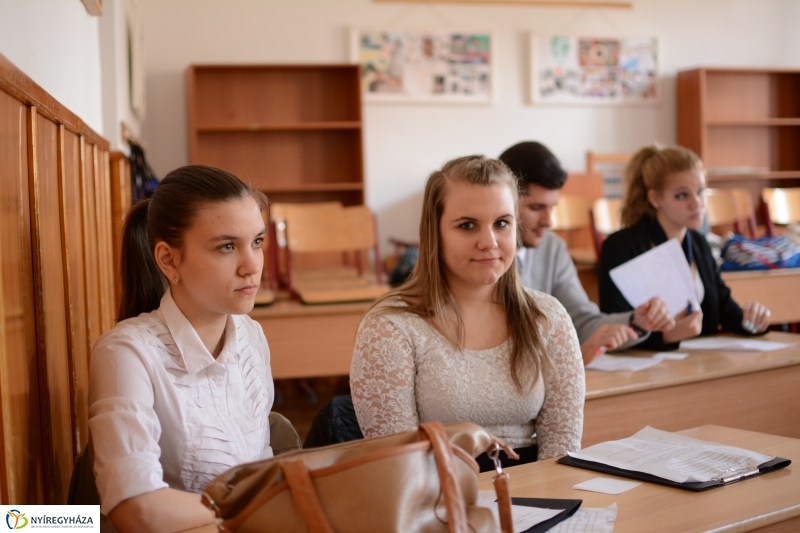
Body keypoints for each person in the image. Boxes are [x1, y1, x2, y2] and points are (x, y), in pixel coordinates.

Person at [350, 155, 584, 470]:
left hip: (534, 497)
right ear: (435, 231)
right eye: (467, 225)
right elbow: (399, 466)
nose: (489, 242)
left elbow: (561, 447)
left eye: (502, 223)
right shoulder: (389, 326)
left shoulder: (548, 316)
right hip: (436, 497)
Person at [89, 165, 274, 532]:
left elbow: (261, 469)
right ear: (168, 260)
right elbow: (136, 510)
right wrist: (262, 508)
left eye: (256, 242)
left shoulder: (251, 336)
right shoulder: (126, 353)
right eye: (226, 246)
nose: (252, 266)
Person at [499, 142, 674, 364]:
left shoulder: (553, 248)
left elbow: (580, 321)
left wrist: (636, 321)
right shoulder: (483, 257)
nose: (549, 221)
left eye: (553, 207)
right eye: (536, 208)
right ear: (503, 200)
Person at [598, 145, 771, 350]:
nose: (696, 203)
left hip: (700, 361)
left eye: (700, 191)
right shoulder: (620, 247)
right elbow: (613, 324)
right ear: (655, 199)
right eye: (682, 195)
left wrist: (752, 321)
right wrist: (667, 336)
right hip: (646, 368)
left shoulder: (699, 243)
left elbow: (725, 310)